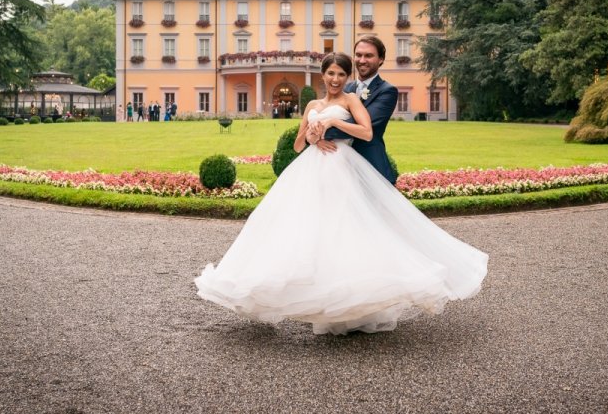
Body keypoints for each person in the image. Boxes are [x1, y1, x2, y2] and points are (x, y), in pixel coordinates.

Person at [195, 52, 488, 335]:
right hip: (311, 171)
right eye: (331, 73)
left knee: (344, 229)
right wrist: (311, 137)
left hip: (342, 166)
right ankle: (315, 295)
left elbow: (367, 132)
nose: (335, 79)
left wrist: (334, 123)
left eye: (340, 74)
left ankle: (350, 304)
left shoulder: (350, 99)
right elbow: (298, 145)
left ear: (346, 77)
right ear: (323, 75)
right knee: (305, 230)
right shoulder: (311, 103)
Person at [307, 36, 398, 184]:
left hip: (370, 166)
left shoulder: (387, 91)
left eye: (368, 55)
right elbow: (323, 111)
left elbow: (366, 127)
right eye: (358, 55)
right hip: (338, 167)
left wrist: (316, 134)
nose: (362, 60)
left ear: (381, 59)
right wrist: (313, 138)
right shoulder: (346, 87)